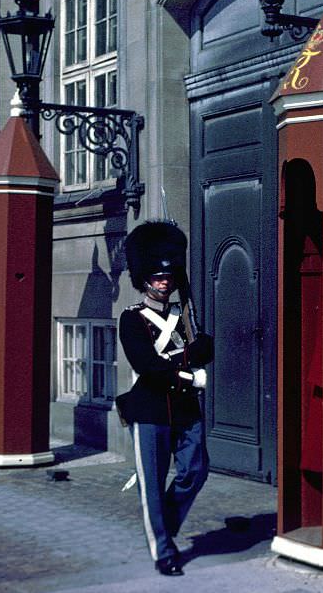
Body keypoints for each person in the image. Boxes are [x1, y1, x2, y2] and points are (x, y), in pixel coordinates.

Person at [117, 220, 214, 576]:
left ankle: (162, 527)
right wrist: (192, 357)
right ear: (144, 279)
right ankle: (163, 551)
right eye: (157, 277)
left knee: (196, 470)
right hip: (150, 408)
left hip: (185, 407)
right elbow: (147, 365)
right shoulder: (132, 319)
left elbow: (203, 349)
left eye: (168, 276)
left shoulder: (182, 314)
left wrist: (204, 344)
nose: (164, 281)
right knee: (152, 487)